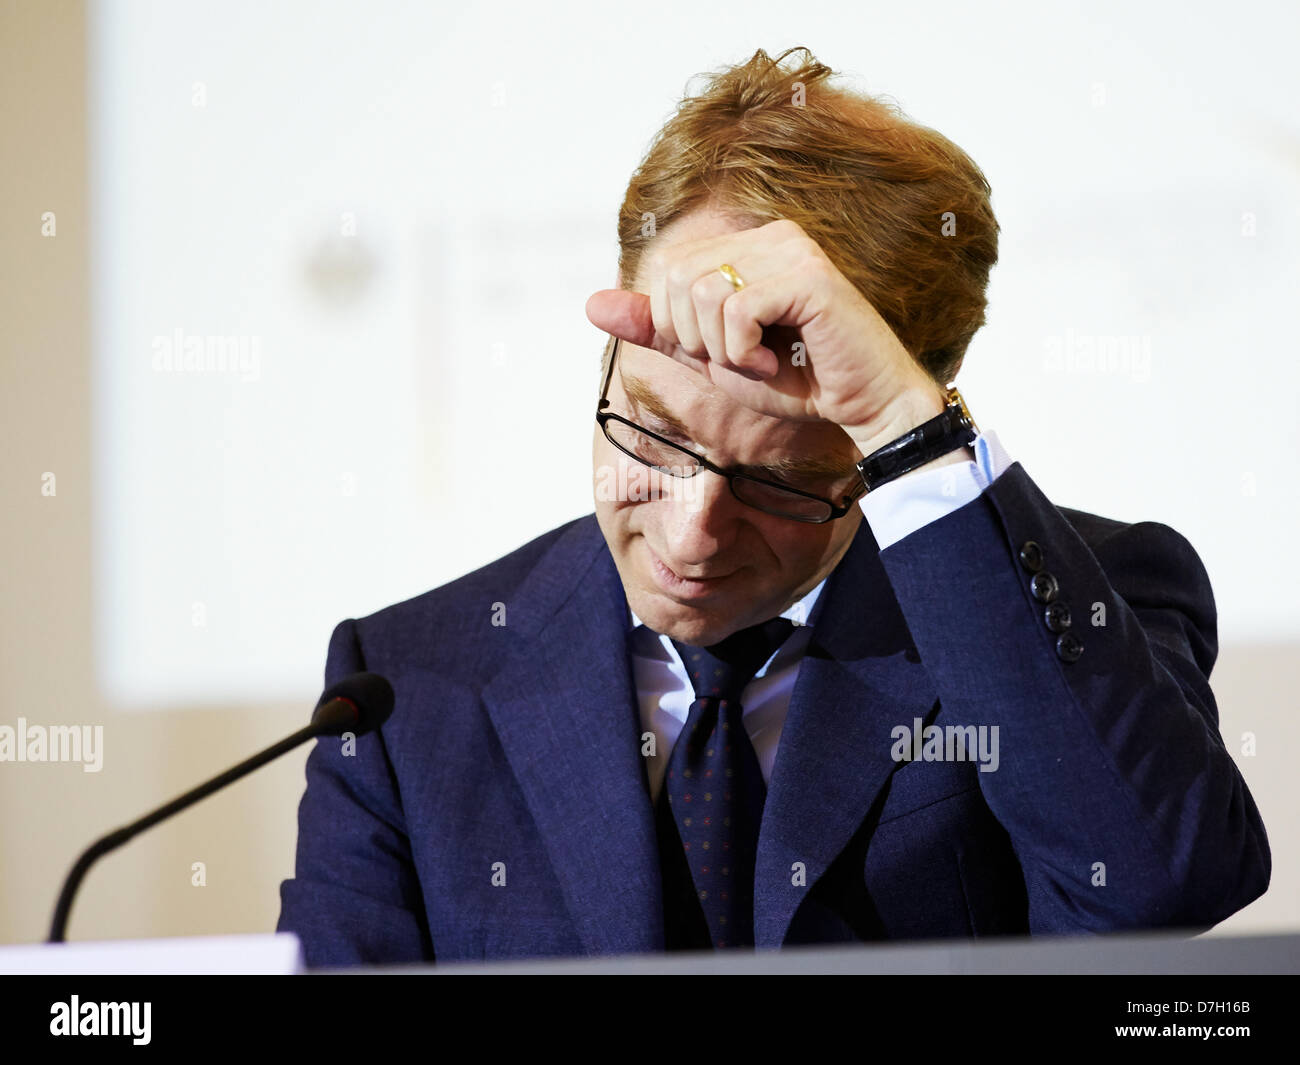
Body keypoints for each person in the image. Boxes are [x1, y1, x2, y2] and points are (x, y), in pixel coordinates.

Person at [276, 46, 1270, 966]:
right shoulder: (408, 685)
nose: (693, 530)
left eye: (784, 482)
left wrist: (901, 423)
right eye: (654, 432)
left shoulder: (1087, 598)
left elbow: (1151, 893)